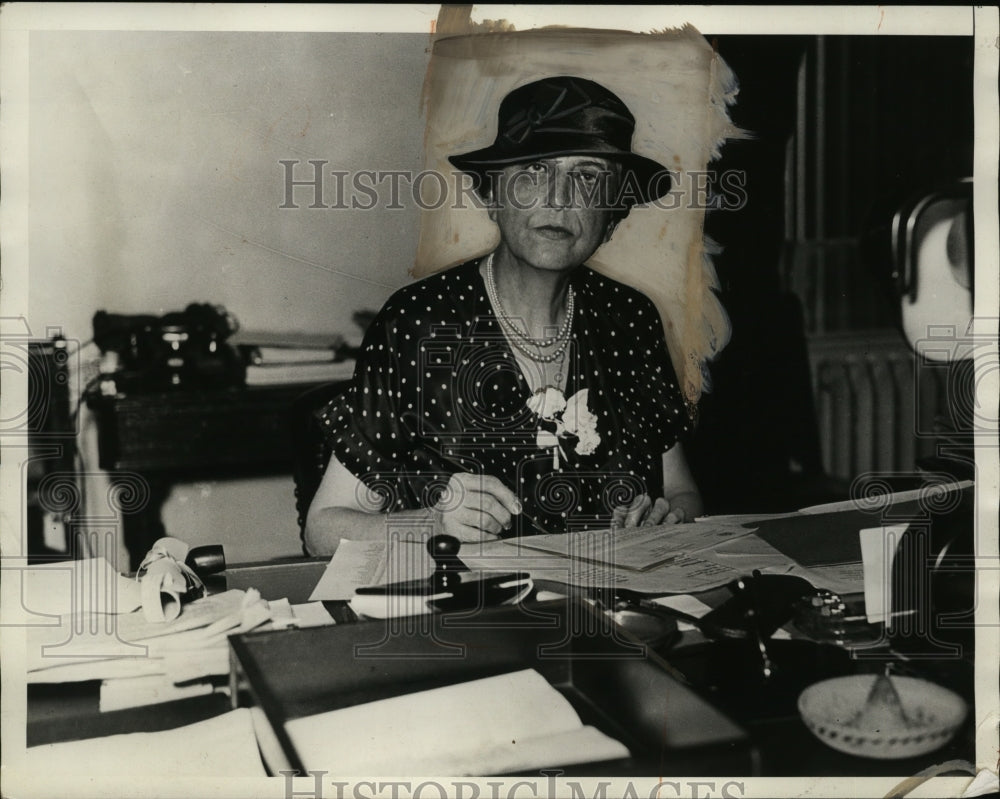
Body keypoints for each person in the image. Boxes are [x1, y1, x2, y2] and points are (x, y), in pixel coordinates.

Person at [305, 76, 702, 555]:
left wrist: (668, 518)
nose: (558, 197)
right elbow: (321, 529)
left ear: (613, 216)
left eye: (588, 177)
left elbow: (682, 492)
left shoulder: (630, 319)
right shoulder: (416, 322)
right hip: (463, 599)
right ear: (493, 196)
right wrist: (432, 525)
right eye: (534, 170)